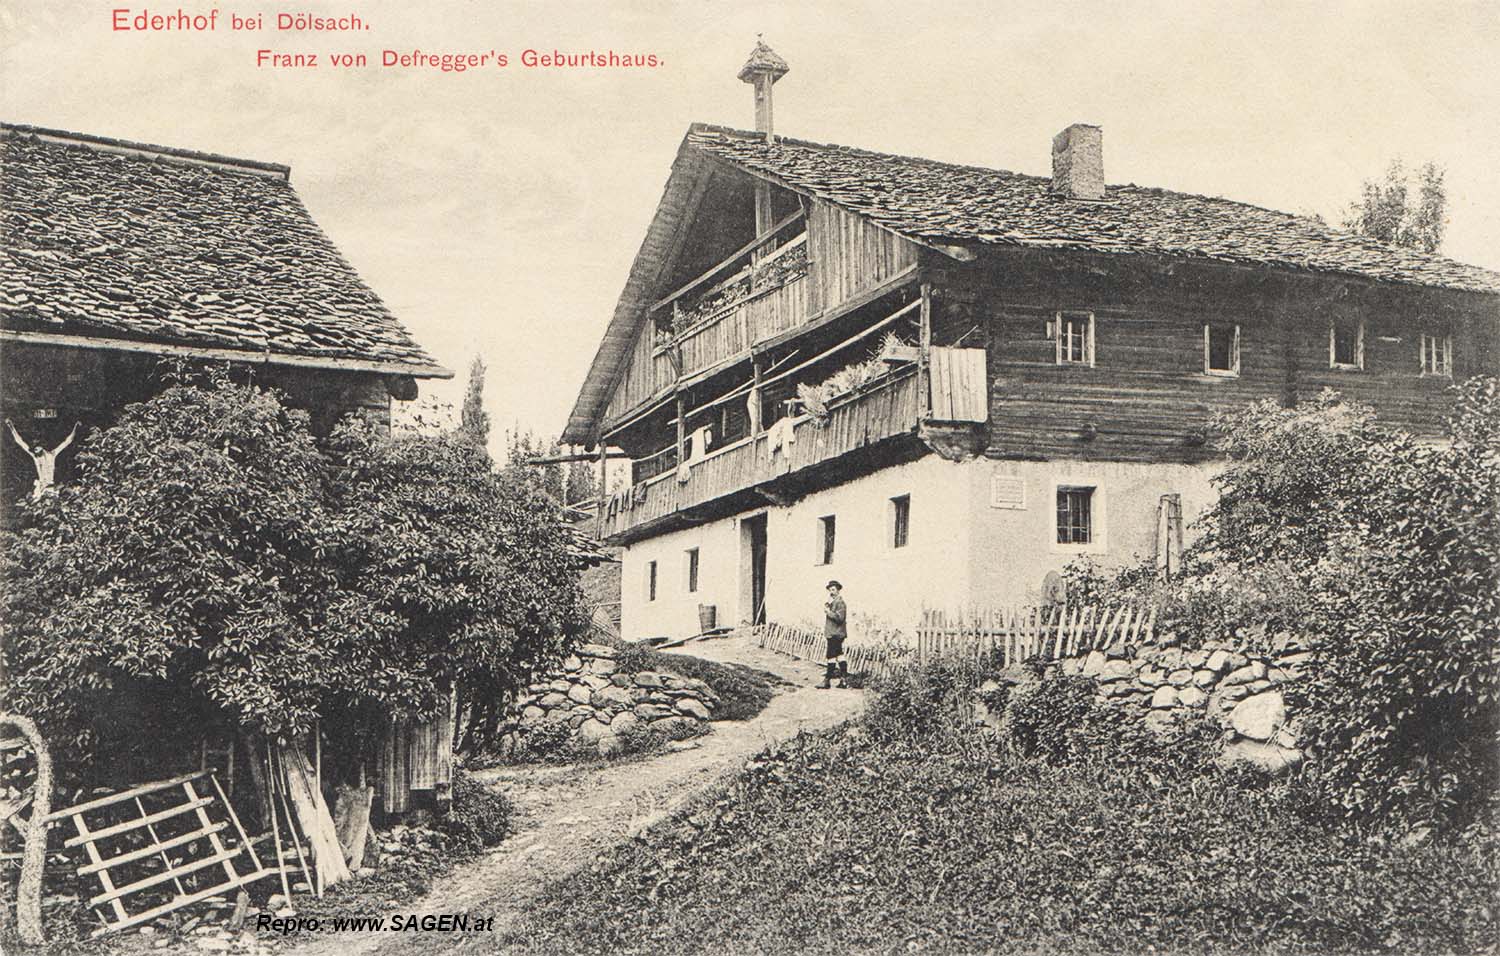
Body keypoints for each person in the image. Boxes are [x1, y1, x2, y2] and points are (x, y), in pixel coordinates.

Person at [7, 420, 77, 499]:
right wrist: (11, 427)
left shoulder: (52, 454)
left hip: (50, 487)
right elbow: (20, 442)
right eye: (34, 449)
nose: (35, 450)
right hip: (40, 488)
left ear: (41, 447)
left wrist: (75, 427)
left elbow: (67, 442)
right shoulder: (35, 456)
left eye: (36, 448)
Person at [819, 580, 848, 689]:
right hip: (834, 633)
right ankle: (844, 680)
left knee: (831, 656)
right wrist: (829, 606)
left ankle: (827, 682)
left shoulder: (840, 602)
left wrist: (828, 612)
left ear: (838, 590)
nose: (831, 592)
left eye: (833, 589)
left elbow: (840, 618)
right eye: (830, 590)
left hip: (836, 634)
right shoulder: (833, 602)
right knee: (839, 655)